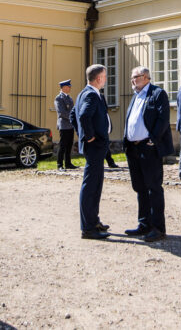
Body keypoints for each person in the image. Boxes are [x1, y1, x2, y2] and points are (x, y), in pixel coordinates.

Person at [122, 66, 174, 242]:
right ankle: (144, 223)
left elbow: (163, 118)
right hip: (133, 148)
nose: (132, 81)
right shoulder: (136, 96)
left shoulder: (157, 93)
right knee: (140, 188)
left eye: (134, 77)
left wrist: (154, 139)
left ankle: (158, 228)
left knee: (153, 188)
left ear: (144, 77)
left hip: (148, 147)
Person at [72, 64, 111, 239]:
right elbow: (82, 116)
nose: (106, 79)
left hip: (95, 146)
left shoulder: (85, 93)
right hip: (94, 146)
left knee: (96, 185)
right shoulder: (90, 95)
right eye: (104, 76)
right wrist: (89, 137)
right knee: (91, 186)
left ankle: (93, 220)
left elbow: (73, 115)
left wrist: (83, 134)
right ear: (98, 78)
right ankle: (88, 228)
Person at [54, 79, 77, 170]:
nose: (70, 87)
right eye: (68, 86)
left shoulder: (69, 98)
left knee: (69, 145)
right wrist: (72, 117)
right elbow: (61, 113)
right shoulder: (59, 98)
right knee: (63, 145)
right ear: (63, 87)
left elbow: (72, 110)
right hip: (63, 125)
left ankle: (68, 163)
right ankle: (60, 165)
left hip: (70, 125)